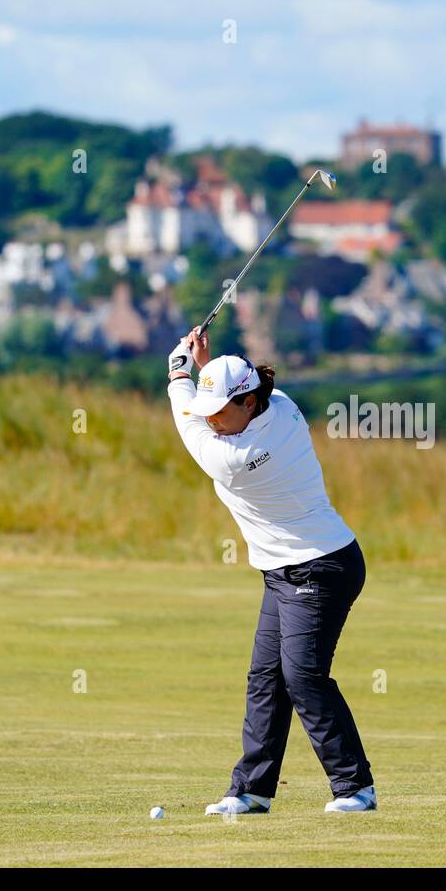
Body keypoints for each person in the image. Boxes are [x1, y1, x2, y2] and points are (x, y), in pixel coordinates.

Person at [166, 328, 376, 815]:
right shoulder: (277, 403)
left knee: (303, 677)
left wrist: (179, 371)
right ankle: (252, 790)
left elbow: (185, 420)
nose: (213, 421)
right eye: (210, 412)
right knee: (265, 677)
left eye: (220, 412)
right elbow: (207, 406)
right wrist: (207, 368)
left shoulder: (235, 458)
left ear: (248, 402)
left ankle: (355, 788)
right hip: (283, 569)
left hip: (321, 565)